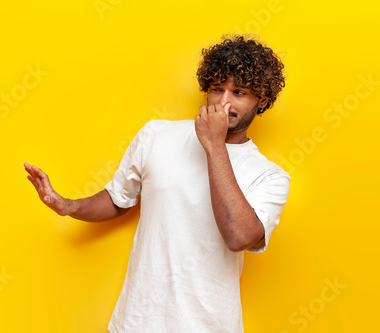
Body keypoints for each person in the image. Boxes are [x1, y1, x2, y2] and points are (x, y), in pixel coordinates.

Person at [24, 33, 290, 332]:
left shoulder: (270, 176)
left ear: (262, 101)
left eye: (239, 92)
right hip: (138, 321)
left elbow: (240, 237)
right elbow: (117, 200)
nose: (224, 102)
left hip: (208, 325)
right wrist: (67, 205)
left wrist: (214, 146)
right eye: (217, 89)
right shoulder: (157, 135)